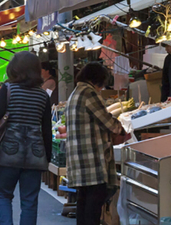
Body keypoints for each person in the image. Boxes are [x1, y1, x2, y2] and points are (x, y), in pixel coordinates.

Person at [0, 53, 51, 225]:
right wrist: (47, 156)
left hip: (8, 151)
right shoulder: (43, 96)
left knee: (3, 195)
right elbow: (46, 129)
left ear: (14, 69)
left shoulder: (9, 89)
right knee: (30, 200)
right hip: (35, 153)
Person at [66, 63, 125, 225]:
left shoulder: (75, 93)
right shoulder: (88, 93)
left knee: (83, 203)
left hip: (79, 158)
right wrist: (121, 129)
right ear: (98, 79)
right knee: (93, 205)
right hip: (91, 159)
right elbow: (108, 122)